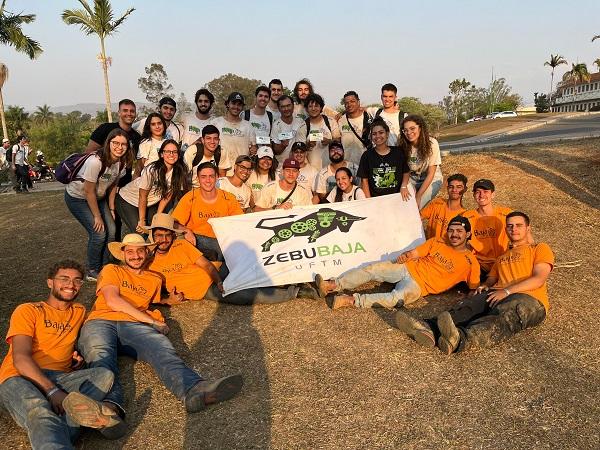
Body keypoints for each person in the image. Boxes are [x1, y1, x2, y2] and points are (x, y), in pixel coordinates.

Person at [77, 234, 243, 420]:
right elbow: (113, 300)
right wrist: (153, 322)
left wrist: (168, 300)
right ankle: (109, 409)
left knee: (162, 350)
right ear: (122, 254)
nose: (135, 256)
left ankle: (195, 390)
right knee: (101, 359)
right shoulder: (112, 270)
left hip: (134, 325)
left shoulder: (154, 279)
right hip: (101, 321)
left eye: (140, 251)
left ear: (147, 253)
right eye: (130, 251)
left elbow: (152, 302)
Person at [0, 260, 127, 449]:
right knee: (39, 410)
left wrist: (78, 359)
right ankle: (77, 419)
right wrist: (53, 391)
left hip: (62, 377)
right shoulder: (28, 310)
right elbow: (20, 358)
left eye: (77, 280)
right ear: (50, 282)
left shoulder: (79, 311)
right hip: (20, 376)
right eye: (64, 279)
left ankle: (60, 428)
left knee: (104, 375)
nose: (71, 284)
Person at [394, 212, 554, 354]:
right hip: (497, 293)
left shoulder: (538, 248)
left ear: (528, 228)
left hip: (529, 299)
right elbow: (492, 278)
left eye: (519, 225)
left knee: (502, 316)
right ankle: (428, 328)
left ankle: (459, 340)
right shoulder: (502, 257)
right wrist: (485, 286)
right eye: (510, 226)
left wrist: (506, 292)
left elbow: (539, 278)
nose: (514, 229)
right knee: (469, 306)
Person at [146, 214, 319, 304]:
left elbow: (206, 265)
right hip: (202, 291)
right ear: (152, 236)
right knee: (245, 297)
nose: (163, 239)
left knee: (252, 270)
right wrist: (169, 300)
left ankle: (294, 279)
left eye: (167, 235)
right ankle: (297, 292)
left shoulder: (181, 246)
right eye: (159, 235)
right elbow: (144, 294)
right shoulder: (147, 262)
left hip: (218, 271)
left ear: (173, 236)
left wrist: (219, 281)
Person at [315, 216, 480, 310]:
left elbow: (474, 288)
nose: (454, 235)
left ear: (468, 234)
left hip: (420, 287)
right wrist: (406, 256)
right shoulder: (437, 241)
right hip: (407, 268)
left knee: (395, 299)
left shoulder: (470, 262)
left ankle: (350, 300)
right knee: (373, 269)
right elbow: (415, 253)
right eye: (451, 230)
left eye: (459, 231)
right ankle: (332, 285)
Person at [65, 129, 131, 281]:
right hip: (78, 198)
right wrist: (97, 216)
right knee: (99, 233)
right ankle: (92, 269)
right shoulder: (96, 162)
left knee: (112, 230)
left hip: (99, 197)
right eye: (115, 143)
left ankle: (105, 265)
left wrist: (112, 208)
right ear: (108, 143)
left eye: (123, 144)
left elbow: (113, 185)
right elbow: (88, 191)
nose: (119, 147)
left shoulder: (121, 163)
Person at [116, 140, 190, 235]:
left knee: (155, 228)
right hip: (128, 199)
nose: (171, 154)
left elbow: (167, 196)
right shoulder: (152, 170)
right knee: (141, 232)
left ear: (179, 155)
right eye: (167, 151)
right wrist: (142, 220)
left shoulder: (179, 171)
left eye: (174, 151)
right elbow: (142, 196)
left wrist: (158, 217)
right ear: (162, 154)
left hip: (149, 203)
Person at [172, 162, 243, 261]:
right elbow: (173, 222)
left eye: (211, 176)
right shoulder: (190, 197)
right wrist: (186, 230)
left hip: (223, 240)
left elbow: (240, 222)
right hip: (197, 240)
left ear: (217, 177)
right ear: (198, 179)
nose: (208, 180)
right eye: (203, 177)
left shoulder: (229, 198)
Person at [462, 179, 512, 275]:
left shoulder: (506, 214)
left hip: (502, 263)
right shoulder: (467, 217)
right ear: (473, 195)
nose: (481, 195)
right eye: (478, 192)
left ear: (493, 194)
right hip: (479, 264)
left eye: (485, 191)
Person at [357, 118, 410, 199]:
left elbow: (406, 172)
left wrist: (403, 186)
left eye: (381, 132)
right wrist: (369, 200)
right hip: (376, 200)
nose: (378, 136)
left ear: (387, 134)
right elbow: (364, 180)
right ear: (371, 136)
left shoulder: (398, 152)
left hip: (397, 197)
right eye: (374, 134)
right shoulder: (367, 155)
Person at [399, 114, 443, 209]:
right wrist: (404, 186)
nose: (409, 132)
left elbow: (431, 173)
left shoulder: (432, 143)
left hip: (430, 177)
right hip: (412, 177)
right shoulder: (402, 145)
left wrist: (418, 196)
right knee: (405, 203)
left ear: (420, 128)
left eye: (412, 128)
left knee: (416, 206)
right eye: (405, 130)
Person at [295, 93, 341, 171]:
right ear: (306, 109)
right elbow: (299, 149)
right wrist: (308, 145)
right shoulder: (303, 127)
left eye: (316, 106)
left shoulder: (330, 122)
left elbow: (338, 140)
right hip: (311, 170)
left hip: (330, 168)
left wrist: (330, 141)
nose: (313, 109)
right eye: (310, 106)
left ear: (321, 107)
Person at [211, 92, 257, 165]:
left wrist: (254, 149)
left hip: (241, 170)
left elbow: (253, 148)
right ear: (227, 104)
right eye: (233, 103)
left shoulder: (248, 126)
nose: (236, 107)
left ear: (242, 107)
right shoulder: (216, 123)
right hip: (220, 168)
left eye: (239, 104)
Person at [420, 173, 467, 239]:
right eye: (451, 187)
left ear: (465, 189)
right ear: (447, 188)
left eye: (459, 187)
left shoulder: (464, 215)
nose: (454, 190)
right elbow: (419, 218)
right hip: (428, 246)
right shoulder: (437, 202)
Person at [338, 91, 373, 166]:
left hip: (367, 164)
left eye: (352, 101)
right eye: (346, 103)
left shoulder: (369, 118)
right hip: (347, 166)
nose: (349, 104)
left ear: (358, 102)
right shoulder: (340, 120)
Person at [270, 94, 305, 163]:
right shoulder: (276, 125)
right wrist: (283, 145)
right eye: (283, 107)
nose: (286, 109)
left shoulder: (301, 121)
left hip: (298, 164)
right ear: (279, 108)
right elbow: (276, 151)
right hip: (282, 165)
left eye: (288, 105)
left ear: (293, 106)